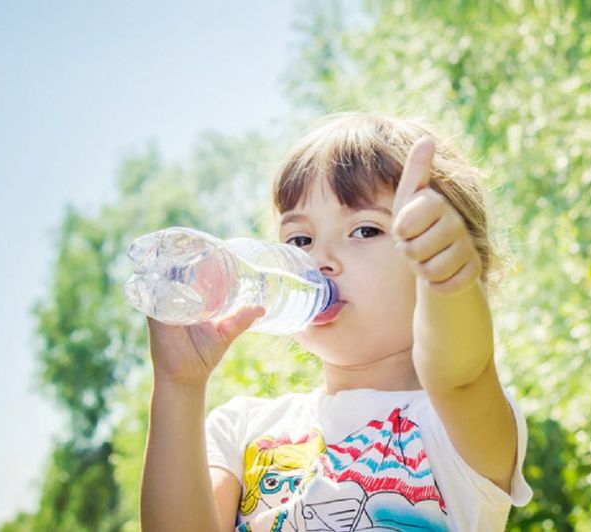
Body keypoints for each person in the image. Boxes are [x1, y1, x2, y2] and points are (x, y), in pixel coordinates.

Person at [139, 112, 533, 531]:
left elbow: (460, 372)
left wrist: (450, 282)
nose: (318, 259)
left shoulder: (452, 429)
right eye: (300, 240)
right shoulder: (240, 429)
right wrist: (179, 386)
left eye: (365, 230)